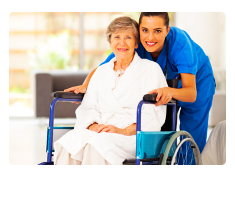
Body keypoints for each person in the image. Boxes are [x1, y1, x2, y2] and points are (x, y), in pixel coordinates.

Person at [66, 12, 216, 165]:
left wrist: (169, 91)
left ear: (167, 30)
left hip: (196, 84)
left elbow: (191, 94)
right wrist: (86, 86)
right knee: (160, 136)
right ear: (139, 29)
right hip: (165, 85)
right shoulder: (135, 43)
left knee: (189, 143)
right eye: (145, 30)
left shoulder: (180, 44)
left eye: (157, 31)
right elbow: (103, 67)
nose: (150, 37)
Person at [54, 17, 167, 165]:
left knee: (95, 146)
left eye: (128, 37)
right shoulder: (101, 71)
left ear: (136, 43)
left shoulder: (151, 69)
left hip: (133, 136)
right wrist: (94, 127)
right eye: (117, 37)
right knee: (68, 143)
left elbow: (153, 116)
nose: (122, 43)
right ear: (110, 42)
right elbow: (88, 107)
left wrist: (122, 130)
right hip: (101, 131)